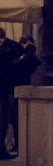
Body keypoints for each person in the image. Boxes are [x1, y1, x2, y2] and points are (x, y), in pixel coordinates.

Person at [0, 29, 20, 159]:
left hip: (5, 90)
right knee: (3, 120)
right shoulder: (5, 51)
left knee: (4, 121)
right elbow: (17, 50)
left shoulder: (6, 49)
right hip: (4, 90)